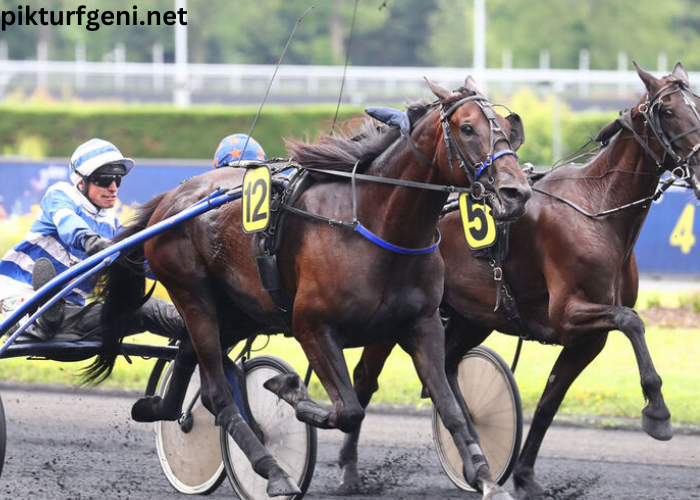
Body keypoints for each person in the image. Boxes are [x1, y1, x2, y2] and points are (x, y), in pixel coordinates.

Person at [0, 138, 186, 343]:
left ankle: (203, 329)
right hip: (21, 300)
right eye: (105, 179)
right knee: (40, 313)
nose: (113, 187)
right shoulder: (61, 194)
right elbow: (68, 223)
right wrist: (91, 241)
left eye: (118, 179)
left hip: (72, 316)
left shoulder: (111, 225)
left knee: (147, 309)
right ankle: (43, 318)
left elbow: (142, 264)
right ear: (81, 181)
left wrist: (178, 273)